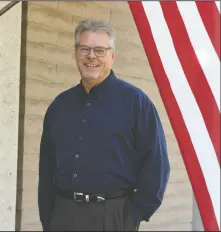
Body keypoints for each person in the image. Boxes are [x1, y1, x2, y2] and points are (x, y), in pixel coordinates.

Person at [38, 19, 170, 231]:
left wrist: (133, 216)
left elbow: (157, 164)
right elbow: (47, 167)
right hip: (63, 215)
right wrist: (48, 217)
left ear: (112, 56)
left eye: (100, 50)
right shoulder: (59, 106)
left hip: (113, 217)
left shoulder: (136, 103)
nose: (91, 56)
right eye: (85, 49)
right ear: (75, 53)